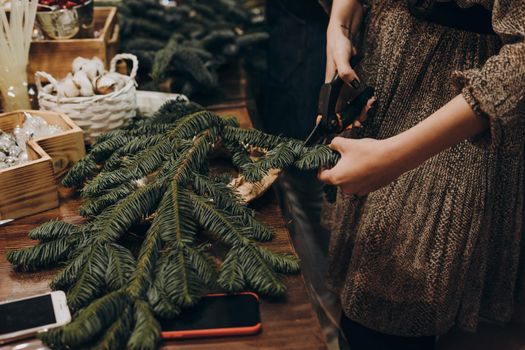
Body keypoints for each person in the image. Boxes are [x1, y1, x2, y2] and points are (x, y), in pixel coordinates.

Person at [317, 0, 525, 349]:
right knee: (359, 314)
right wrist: (340, 22)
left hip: (458, 116)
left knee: (392, 307)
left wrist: (395, 157)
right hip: (382, 71)